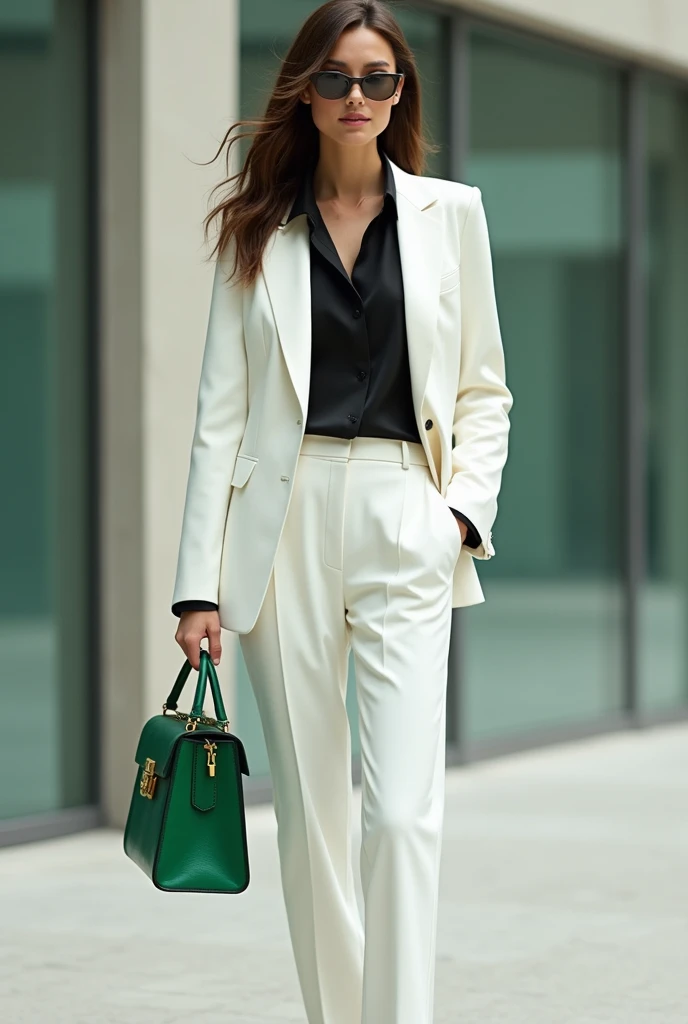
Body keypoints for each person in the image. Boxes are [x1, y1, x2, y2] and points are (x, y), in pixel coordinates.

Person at [171, 1, 512, 1021]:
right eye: (334, 79)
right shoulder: (257, 232)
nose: (354, 97)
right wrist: (197, 585)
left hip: (406, 510)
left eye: (375, 78)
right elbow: (216, 421)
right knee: (314, 819)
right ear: (304, 94)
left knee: (401, 814)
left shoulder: (454, 215)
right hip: (284, 527)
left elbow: (484, 389)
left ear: (400, 90)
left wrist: (455, 515)